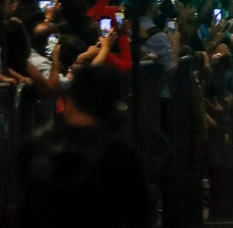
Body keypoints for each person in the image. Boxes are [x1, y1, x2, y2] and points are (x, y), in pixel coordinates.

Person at [17, 64, 154, 228]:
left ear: (71, 98)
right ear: (113, 103)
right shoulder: (121, 155)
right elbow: (138, 216)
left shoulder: (34, 147)